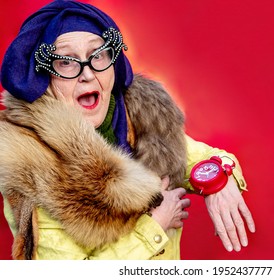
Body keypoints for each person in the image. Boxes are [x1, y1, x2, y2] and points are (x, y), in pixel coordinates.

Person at [0, 0, 255, 260]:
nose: (87, 75)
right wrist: (154, 226)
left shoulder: (142, 116)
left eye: (98, 55)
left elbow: (205, 159)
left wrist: (219, 183)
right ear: (44, 77)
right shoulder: (31, 162)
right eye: (67, 62)